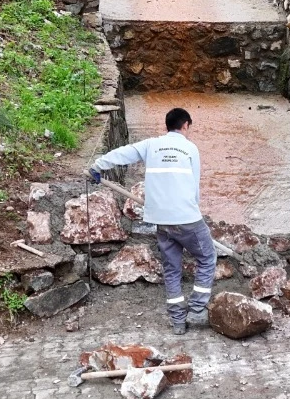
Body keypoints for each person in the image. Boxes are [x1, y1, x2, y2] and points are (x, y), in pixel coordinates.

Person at [89, 107, 215, 335]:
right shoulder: (190, 148)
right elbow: (194, 186)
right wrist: (192, 209)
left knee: (172, 269)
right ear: (185, 125)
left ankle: (178, 322)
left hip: (161, 221)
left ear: (167, 126)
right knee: (207, 257)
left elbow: (122, 153)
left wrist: (98, 166)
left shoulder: (150, 145)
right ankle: (196, 310)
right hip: (187, 218)